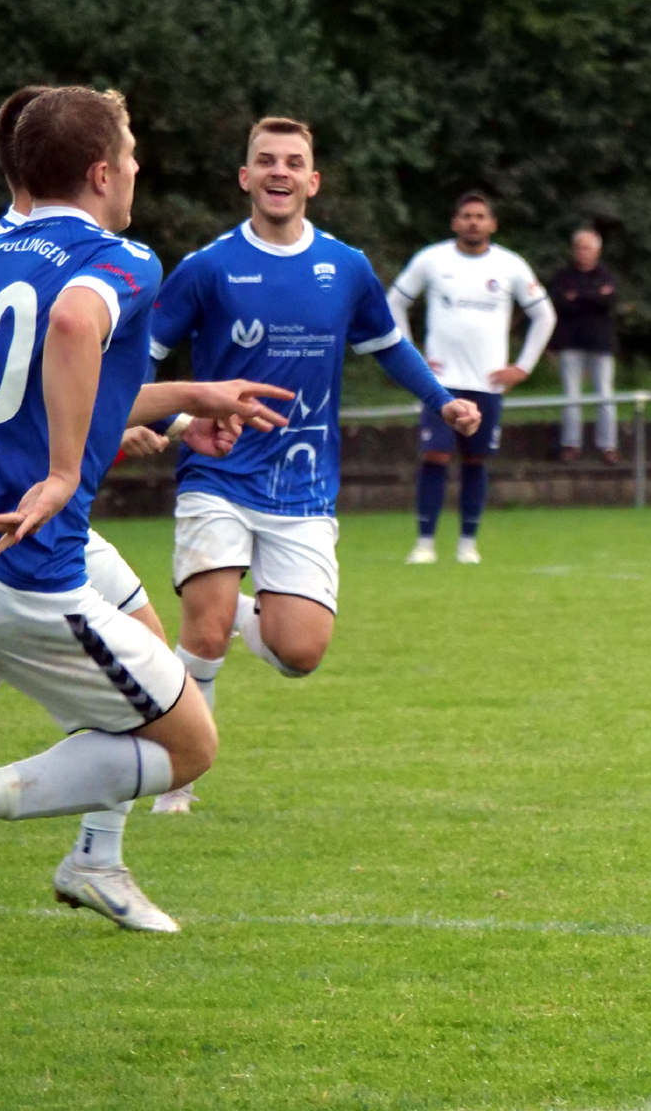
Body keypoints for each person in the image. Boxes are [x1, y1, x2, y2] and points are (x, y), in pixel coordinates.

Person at [0, 85, 292, 932]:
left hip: (7, 537)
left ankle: (96, 859)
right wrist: (61, 471)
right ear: (100, 172)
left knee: (145, 640)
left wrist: (187, 402)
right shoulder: (123, 259)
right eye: (129, 153)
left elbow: (31, 387)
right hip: (25, 560)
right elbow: (74, 326)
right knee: (186, 744)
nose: (137, 167)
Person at [143, 117, 481, 813]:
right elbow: (139, 358)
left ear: (313, 181)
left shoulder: (345, 266)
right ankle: (178, 781)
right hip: (220, 472)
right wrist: (170, 424)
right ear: (246, 177)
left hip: (303, 484)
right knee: (202, 634)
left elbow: (388, 345)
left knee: (300, 654)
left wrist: (442, 401)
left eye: (294, 162)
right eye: (266, 160)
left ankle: (238, 613)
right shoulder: (207, 267)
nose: (280, 172)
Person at [390, 193, 555, 565]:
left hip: (487, 383)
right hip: (440, 383)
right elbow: (394, 302)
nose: (473, 222)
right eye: (466, 215)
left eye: (480, 216)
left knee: (476, 460)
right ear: (455, 222)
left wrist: (523, 366)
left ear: (492, 224)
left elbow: (545, 315)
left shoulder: (510, 265)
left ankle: (467, 543)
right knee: (435, 455)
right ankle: (425, 543)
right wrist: (411, 354)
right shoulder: (432, 259)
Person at [548, 226, 621, 465]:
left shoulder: (607, 276)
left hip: (601, 343)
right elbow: (559, 303)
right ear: (573, 250)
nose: (583, 252)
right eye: (579, 248)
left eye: (587, 248)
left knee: (605, 395)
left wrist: (578, 296)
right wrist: (593, 296)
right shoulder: (562, 276)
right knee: (571, 396)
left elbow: (608, 302)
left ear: (597, 251)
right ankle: (571, 444)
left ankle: (608, 446)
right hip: (570, 342)